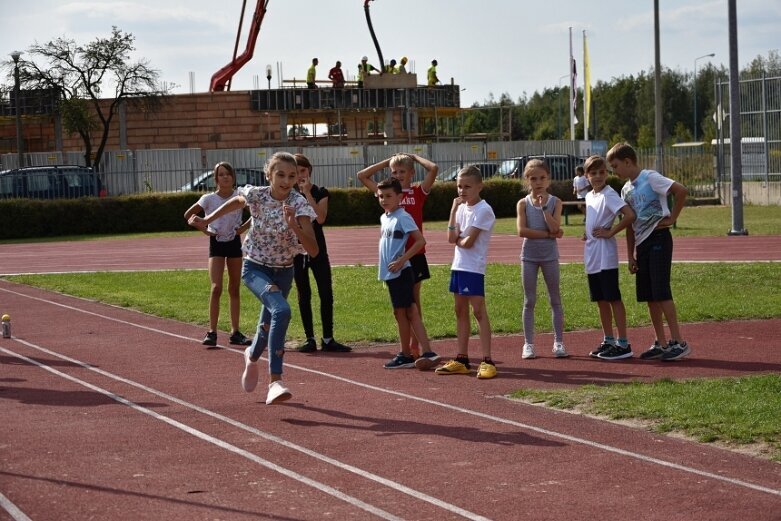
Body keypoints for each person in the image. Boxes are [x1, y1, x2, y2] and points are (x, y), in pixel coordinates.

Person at [187, 152, 319, 405]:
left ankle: (252, 355)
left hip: (285, 270)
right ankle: (275, 380)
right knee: (281, 310)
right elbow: (235, 202)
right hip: (255, 268)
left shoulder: (299, 204)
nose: (286, 180)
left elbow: (313, 250)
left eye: (292, 176)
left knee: (267, 326)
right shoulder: (257, 194)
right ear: (268, 174)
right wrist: (208, 219)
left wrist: (294, 225)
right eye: (280, 174)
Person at [606, 142, 691, 361]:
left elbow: (680, 191)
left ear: (627, 161)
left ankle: (679, 342)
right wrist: (630, 254)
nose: (613, 171)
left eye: (615, 166)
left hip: (659, 238)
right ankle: (661, 343)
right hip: (642, 244)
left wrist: (672, 217)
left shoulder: (650, 177)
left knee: (662, 292)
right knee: (650, 296)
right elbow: (630, 224)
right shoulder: (626, 189)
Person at [357, 153, 439, 359]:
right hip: (395, 256)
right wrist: (389, 160)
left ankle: (416, 346)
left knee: (413, 302)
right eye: (395, 172)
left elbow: (434, 169)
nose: (399, 175)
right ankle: (414, 347)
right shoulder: (388, 194)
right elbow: (362, 175)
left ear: (411, 173)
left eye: (403, 171)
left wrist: (414, 157)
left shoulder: (418, 191)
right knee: (403, 305)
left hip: (414, 253)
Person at [426, 166, 497, 379]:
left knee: (478, 311)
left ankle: (487, 360)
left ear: (479, 186)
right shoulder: (461, 208)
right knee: (459, 311)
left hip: (473, 268)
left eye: (467, 186)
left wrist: (458, 239)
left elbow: (468, 242)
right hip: (458, 266)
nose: (462, 190)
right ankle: (462, 359)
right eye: (459, 186)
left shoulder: (484, 210)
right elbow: (452, 239)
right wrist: (453, 211)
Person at [184, 161, 253, 348]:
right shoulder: (208, 199)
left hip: (234, 243)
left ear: (233, 177)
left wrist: (243, 228)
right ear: (216, 179)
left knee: (234, 287)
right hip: (216, 243)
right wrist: (205, 229)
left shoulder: (240, 197)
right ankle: (212, 331)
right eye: (221, 174)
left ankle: (235, 332)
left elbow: (257, 212)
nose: (225, 177)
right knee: (216, 288)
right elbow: (188, 215)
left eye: (228, 174)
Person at [292, 153, 351, 353]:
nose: (300, 175)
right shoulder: (288, 195)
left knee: (326, 292)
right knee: (304, 293)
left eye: (303, 170)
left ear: (309, 170)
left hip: (318, 249)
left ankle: (328, 338)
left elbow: (321, 218)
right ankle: (309, 338)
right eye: (296, 171)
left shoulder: (320, 191)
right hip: (297, 251)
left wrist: (308, 194)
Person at [374, 177, 435, 369]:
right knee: (402, 312)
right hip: (391, 274)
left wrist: (401, 260)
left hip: (402, 272)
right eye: (381, 196)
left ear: (399, 197)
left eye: (389, 196)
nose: (384, 199)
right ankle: (413, 353)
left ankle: (416, 352)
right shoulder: (385, 217)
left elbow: (420, 241)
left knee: (408, 311)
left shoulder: (403, 216)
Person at [580, 155, 636, 360]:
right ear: (586, 176)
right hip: (592, 256)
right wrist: (587, 231)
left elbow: (629, 215)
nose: (597, 176)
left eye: (601, 172)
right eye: (593, 173)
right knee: (601, 300)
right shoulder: (589, 196)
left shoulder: (609, 194)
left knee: (613, 298)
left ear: (607, 173)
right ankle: (609, 339)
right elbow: (593, 218)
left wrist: (611, 231)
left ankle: (624, 343)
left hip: (606, 256)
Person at [516, 159, 569, 359]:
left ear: (548, 180)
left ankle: (559, 342)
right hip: (529, 256)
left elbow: (555, 227)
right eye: (533, 178)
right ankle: (528, 344)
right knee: (529, 300)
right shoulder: (523, 203)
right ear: (527, 180)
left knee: (555, 298)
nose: (538, 182)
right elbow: (523, 231)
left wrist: (544, 209)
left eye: (542, 178)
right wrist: (548, 234)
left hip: (550, 256)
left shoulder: (556, 202)